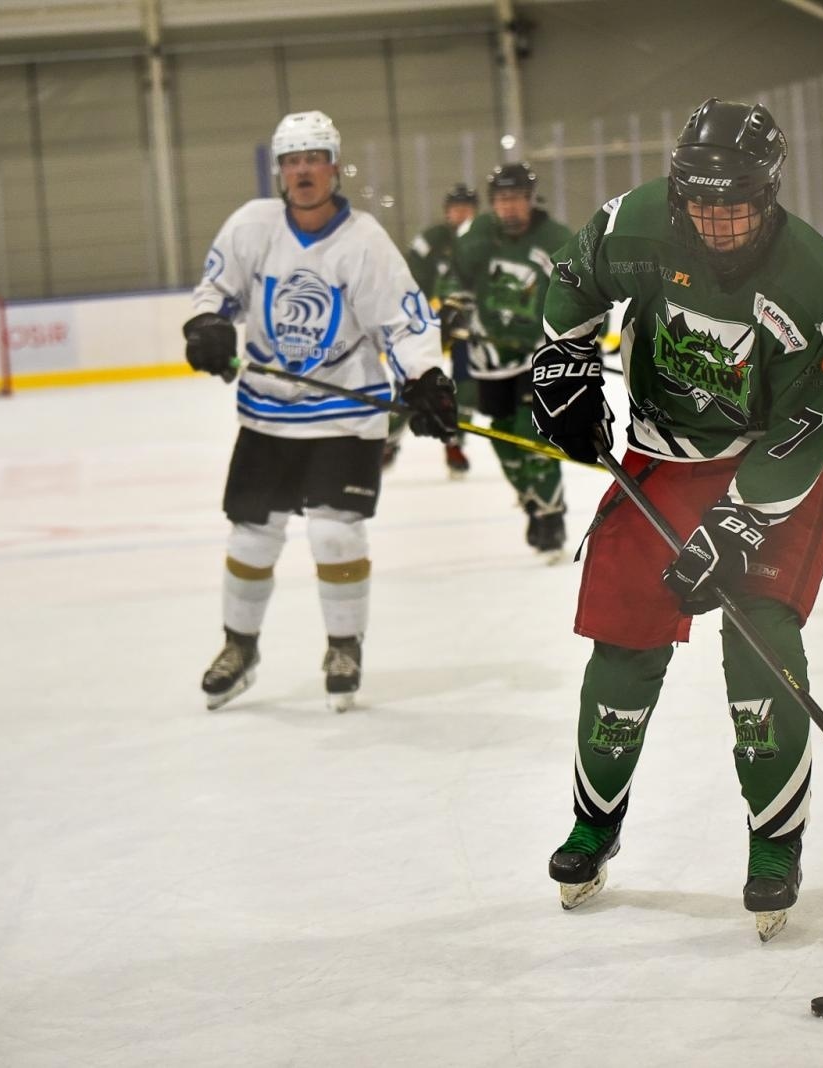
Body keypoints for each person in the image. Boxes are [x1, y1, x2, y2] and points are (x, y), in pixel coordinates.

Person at [528, 98, 823, 941]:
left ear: (770, 194)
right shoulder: (634, 225)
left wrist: (738, 525)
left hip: (768, 474)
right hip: (662, 463)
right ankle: (594, 823)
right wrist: (564, 363)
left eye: (738, 205)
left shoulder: (815, 283)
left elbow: (805, 427)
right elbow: (573, 279)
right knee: (622, 644)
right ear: (678, 193)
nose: (718, 223)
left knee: (761, 643)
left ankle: (774, 841)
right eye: (703, 204)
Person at [182, 109, 458, 713]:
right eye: (292, 160)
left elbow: (402, 321)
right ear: (280, 170)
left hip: (344, 415)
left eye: (314, 158)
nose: (303, 170)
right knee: (251, 536)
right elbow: (217, 292)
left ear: (334, 166)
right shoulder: (252, 226)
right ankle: (239, 647)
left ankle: (343, 647)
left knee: (335, 534)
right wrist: (207, 326)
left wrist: (425, 379)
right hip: (268, 414)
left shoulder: (363, 241)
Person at [447, 162, 575, 559]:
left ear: (531, 199)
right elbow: (456, 277)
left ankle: (551, 515)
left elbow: (582, 290)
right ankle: (532, 501)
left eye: (517, 198)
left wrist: (575, 337)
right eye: (502, 199)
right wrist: (453, 307)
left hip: (539, 354)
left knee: (531, 433)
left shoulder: (555, 238)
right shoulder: (480, 234)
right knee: (504, 438)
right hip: (491, 356)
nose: (509, 207)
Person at [385, 183, 481, 477]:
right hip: (432, 323)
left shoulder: (485, 240)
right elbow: (410, 281)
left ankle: (453, 442)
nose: (461, 213)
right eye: (456, 208)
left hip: (470, 326)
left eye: (467, 208)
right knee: (413, 382)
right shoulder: (431, 240)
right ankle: (389, 439)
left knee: (467, 387)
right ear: (446, 211)